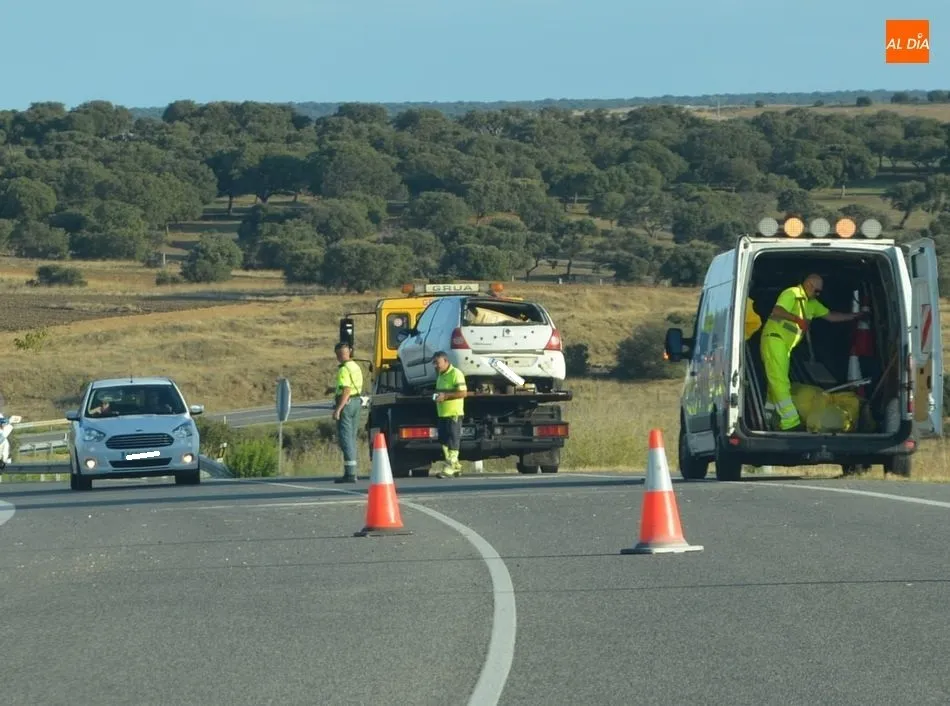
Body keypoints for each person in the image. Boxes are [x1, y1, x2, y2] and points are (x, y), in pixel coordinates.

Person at [760, 274, 862, 431]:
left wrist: (855, 316)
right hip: (774, 339)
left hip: (785, 346)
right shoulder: (792, 293)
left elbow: (831, 317)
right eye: (817, 291)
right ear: (808, 285)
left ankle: (768, 416)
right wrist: (797, 319)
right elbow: (778, 311)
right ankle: (790, 421)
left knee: (775, 382)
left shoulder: (812, 303)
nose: (818, 295)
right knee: (780, 382)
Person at [432, 351, 467, 478]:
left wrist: (445, 396)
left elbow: (463, 393)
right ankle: (455, 465)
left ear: (446, 361)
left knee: (453, 439)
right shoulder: (440, 375)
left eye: (438, 363)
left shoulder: (456, 373)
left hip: (454, 413)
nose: (436, 365)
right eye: (434, 363)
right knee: (443, 440)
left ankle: (451, 465)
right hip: (442, 413)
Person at [332, 341, 364, 483]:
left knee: (346, 438)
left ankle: (350, 473)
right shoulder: (355, 366)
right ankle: (352, 471)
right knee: (352, 436)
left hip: (347, 403)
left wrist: (338, 409)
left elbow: (346, 390)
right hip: (356, 402)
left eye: (340, 354)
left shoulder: (344, 369)